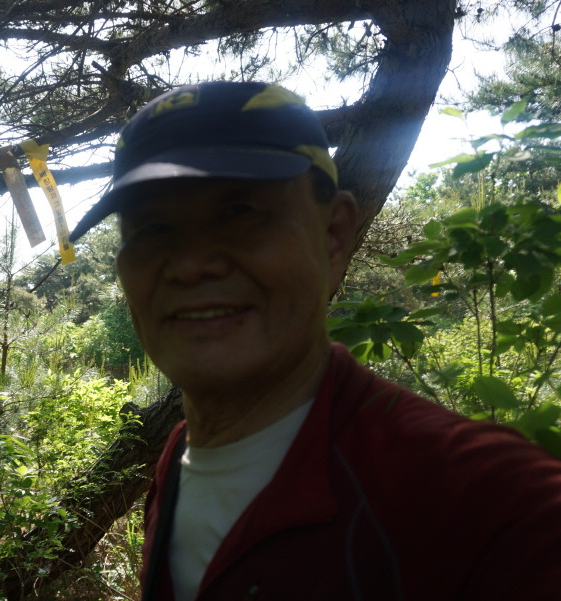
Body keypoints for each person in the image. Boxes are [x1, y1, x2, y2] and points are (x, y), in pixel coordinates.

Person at [67, 80, 561, 601]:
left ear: (334, 234)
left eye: (239, 212)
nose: (190, 265)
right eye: (151, 228)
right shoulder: (179, 458)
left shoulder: (494, 504)